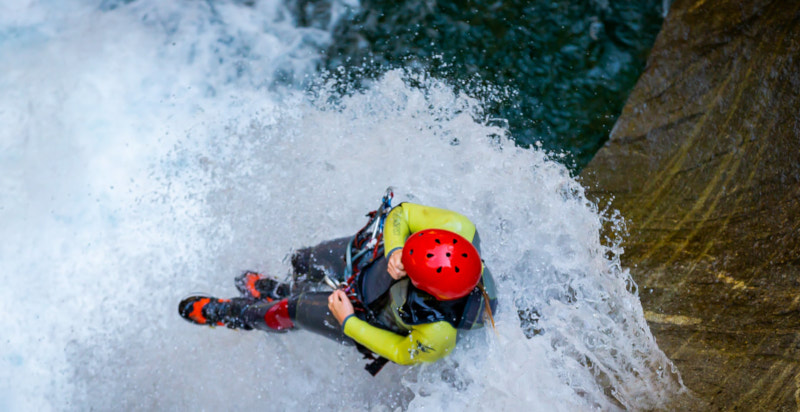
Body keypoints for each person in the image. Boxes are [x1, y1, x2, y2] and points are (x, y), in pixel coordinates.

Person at [178, 198, 497, 373]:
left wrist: (349, 322)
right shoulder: (459, 228)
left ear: (427, 290)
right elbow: (402, 214)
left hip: (367, 313)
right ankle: (280, 289)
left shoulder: (440, 332)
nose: (402, 269)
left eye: (409, 271)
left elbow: (401, 352)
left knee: (295, 310)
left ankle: (235, 314)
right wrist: (396, 249)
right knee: (304, 260)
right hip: (370, 261)